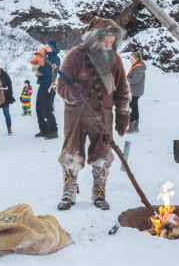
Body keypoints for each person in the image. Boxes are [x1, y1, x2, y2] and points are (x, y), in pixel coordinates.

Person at [56, 17, 131, 211]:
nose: (108, 45)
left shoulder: (115, 59)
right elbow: (60, 85)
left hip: (104, 114)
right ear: (93, 38)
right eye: (105, 40)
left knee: (102, 155)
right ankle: (69, 191)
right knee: (71, 153)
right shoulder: (75, 56)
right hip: (76, 114)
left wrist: (123, 112)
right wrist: (71, 93)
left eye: (111, 41)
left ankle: (99, 192)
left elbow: (122, 89)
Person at [33, 40, 61, 140]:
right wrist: (38, 72)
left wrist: (38, 68)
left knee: (47, 109)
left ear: (53, 48)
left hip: (50, 87)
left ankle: (53, 131)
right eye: (46, 46)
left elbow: (49, 72)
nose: (46, 48)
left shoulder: (56, 59)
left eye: (48, 47)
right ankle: (44, 130)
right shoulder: (47, 58)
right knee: (39, 109)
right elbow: (44, 71)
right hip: (42, 85)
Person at [126, 52, 146, 134]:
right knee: (134, 108)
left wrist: (125, 80)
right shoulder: (135, 67)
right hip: (134, 91)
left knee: (129, 109)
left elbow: (135, 80)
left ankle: (131, 129)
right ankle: (135, 128)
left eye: (132, 59)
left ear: (137, 59)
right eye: (130, 59)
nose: (130, 60)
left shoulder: (138, 68)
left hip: (135, 92)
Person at [0, 66, 14, 135]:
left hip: (4, 97)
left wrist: (10, 95)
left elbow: (9, 84)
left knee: (6, 114)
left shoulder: (4, 74)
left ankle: (9, 128)